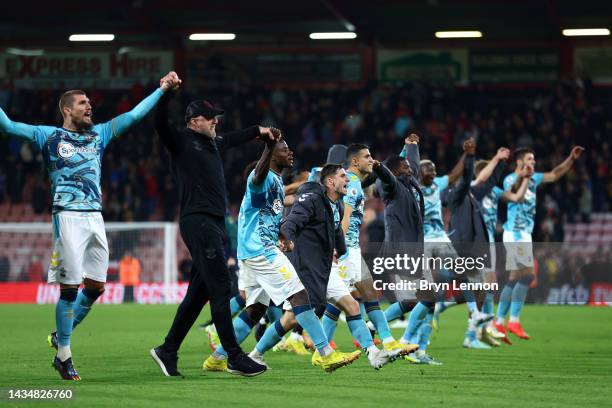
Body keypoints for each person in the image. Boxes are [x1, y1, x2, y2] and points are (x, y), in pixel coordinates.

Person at [0, 70, 176, 380]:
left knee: (95, 287)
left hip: (96, 216)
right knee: (69, 290)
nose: (89, 106)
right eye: (83, 103)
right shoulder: (48, 135)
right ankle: (64, 354)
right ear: (67, 109)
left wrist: (161, 89)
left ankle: (60, 334)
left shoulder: (100, 135)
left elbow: (134, 115)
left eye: (90, 102)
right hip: (67, 215)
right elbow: (8, 125)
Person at [150, 74, 282, 377]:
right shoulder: (182, 141)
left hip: (213, 224)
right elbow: (159, 124)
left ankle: (167, 350)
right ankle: (233, 355)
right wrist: (166, 93)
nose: (215, 122)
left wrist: (258, 132)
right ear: (194, 121)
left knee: (198, 294)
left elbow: (233, 137)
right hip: (198, 222)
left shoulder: (212, 143)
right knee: (221, 285)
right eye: (210, 118)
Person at [320, 144, 418, 357]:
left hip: (351, 251)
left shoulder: (353, 182)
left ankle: (388, 342)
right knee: (339, 301)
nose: (371, 160)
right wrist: (337, 249)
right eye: (367, 157)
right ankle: (322, 349)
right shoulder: (352, 185)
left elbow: (380, 176)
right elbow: (344, 219)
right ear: (355, 162)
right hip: (346, 251)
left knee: (360, 297)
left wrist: (402, 153)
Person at [493, 146, 584, 340]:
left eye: (534, 160)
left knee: (515, 278)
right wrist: (523, 177)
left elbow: (555, 174)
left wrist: (570, 158)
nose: (533, 163)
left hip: (525, 233)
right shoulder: (510, 178)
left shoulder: (534, 178)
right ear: (520, 162)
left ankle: (500, 322)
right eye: (529, 160)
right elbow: (514, 194)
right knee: (527, 276)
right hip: (515, 233)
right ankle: (512, 321)